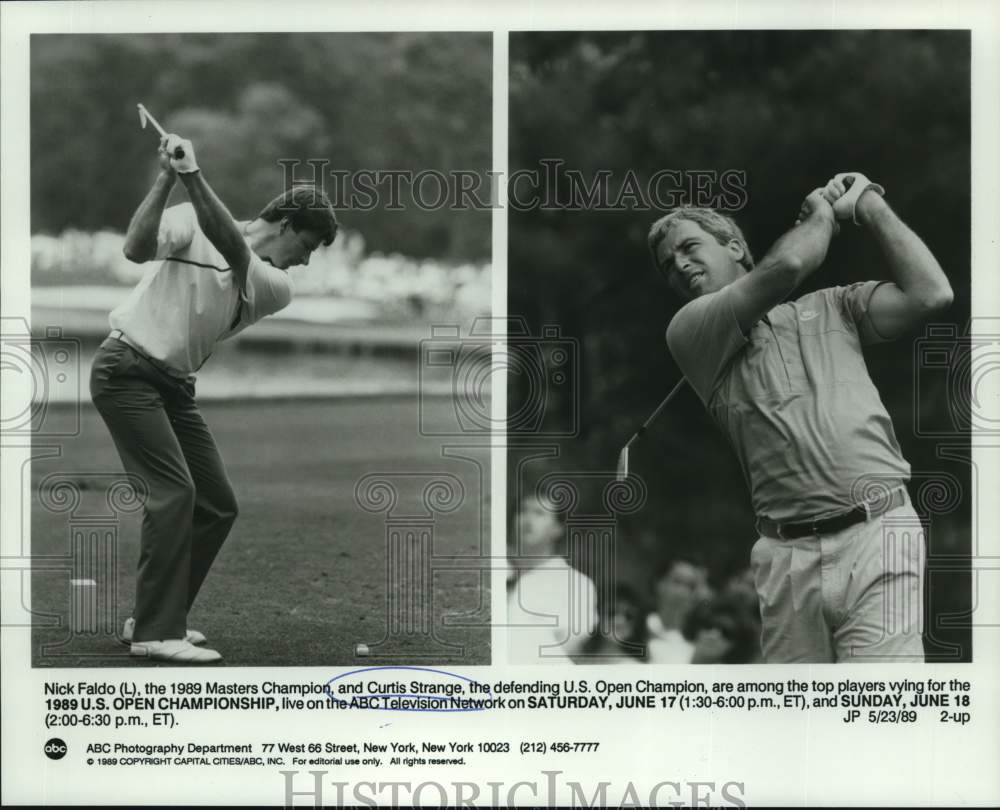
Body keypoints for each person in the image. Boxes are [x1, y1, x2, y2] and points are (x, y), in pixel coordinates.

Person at [650, 172, 952, 663]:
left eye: (688, 247)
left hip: (878, 533)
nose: (680, 265)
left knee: (882, 719)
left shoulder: (835, 305)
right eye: (668, 265)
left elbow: (930, 294)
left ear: (734, 246)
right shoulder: (692, 330)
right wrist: (823, 214)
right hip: (788, 558)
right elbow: (790, 262)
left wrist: (869, 203)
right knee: (797, 725)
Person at [90, 133, 338, 663]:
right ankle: (156, 633)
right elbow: (135, 249)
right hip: (126, 370)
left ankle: (157, 615)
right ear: (289, 225)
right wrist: (167, 176)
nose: (306, 262)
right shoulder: (186, 215)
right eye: (309, 246)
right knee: (174, 493)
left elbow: (231, 244)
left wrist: (192, 174)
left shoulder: (276, 285)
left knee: (216, 504)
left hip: (174, 388)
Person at [506, 493, 598, 663]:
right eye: (522, 511)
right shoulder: (493, 570)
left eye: (539, 513)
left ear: (557, 528)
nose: (527, 519)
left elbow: (568, 649)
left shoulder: (576, 585)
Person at [645, 554, 712, 664]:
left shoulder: (695, 647)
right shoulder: (636, 627)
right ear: (659, 583)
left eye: (691, 586)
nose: (682, 592)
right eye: (677, 582)